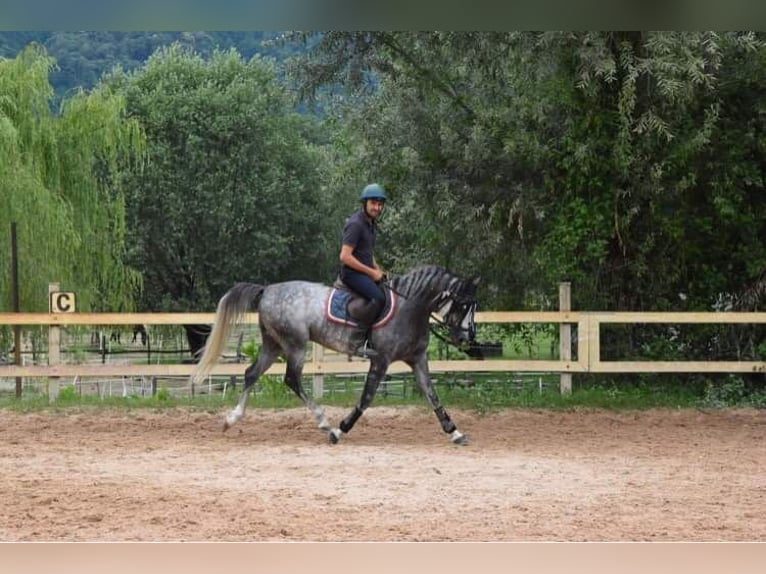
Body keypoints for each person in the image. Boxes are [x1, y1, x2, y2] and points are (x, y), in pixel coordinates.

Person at [339, 183, 388, 358]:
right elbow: (345, 256)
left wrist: (378, 270)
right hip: (351, 274)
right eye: (374, 203)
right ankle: (356, 342)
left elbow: (367, 252)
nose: (377, 207)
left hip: (364, 272)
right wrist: (371, 272)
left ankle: (375, 337)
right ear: (365, 203)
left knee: (388, 293)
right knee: (378, 298)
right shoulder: (356, 224)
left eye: (380, 204)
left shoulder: (371, 224)